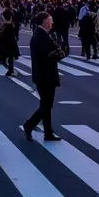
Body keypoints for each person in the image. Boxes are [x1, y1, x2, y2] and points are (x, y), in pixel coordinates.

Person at [22, 12, 65, 143]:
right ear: (44, 21)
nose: (52, 22)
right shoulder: (40, 36)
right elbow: (46, 57)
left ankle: (47, 132)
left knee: (46, 105)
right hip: (45, 75)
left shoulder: (42, 35)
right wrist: (59, 54)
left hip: (44, 74)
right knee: (46, 105)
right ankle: (29, 125)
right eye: (50, 20)